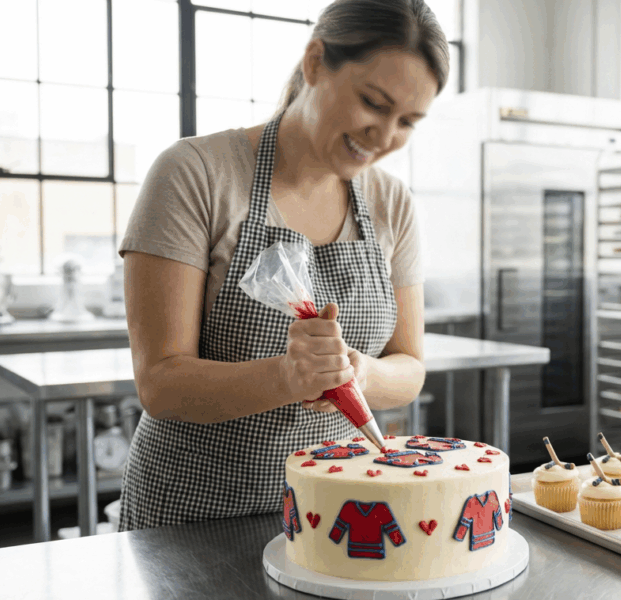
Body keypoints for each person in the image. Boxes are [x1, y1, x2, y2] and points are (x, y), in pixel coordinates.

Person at [117, 0, 449, 531]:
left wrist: (359, 374)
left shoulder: (392, 205)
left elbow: (409, 365)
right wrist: (287, 376)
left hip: (336, 516)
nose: (384, 137)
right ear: (316, 62)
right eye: (372, 102)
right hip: (194, 517)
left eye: (407, 121)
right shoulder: (196, 175)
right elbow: (160, 383)